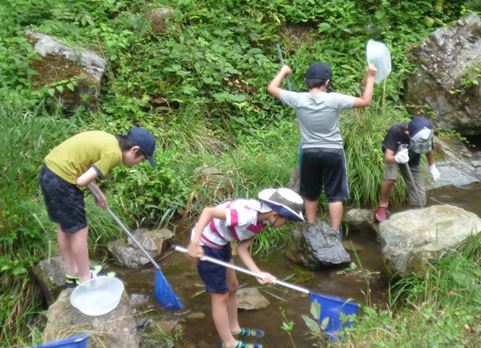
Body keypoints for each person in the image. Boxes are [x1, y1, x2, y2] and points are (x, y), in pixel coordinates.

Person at [267, 61, 377, 238]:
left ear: (306, 80)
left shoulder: (297, 99)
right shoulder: (334, 99)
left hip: (310, 152)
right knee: (335, 194)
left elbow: (272, 88)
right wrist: (370, 77)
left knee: (310, 192)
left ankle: (311, 227)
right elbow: (366, 101)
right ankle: (334, 231)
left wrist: (284, 71)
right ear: (326, 82)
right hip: (333, 152)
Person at [186, 188, 304, 348]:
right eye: (287, 220)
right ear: (276, 214)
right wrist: (194, 244)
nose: (286, 224)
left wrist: (258, 273)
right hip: (205, 246)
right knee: (220, 295)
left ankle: (234, 328)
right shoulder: (246, 215)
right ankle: (229, 343)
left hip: (221, 243)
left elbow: (242, 249)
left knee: (233, 286)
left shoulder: (261, 221)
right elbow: (208, 212)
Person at [40, 127, 157, 285]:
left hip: (49, 171)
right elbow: (80, 180)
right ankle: (85, 278)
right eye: (141, 159)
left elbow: (82, 171)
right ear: (135, 149)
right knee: (79, 230)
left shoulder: (108, 140)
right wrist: (96, 192)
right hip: (63, 181)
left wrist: (99, 194)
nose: (138, 163)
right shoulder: (114, 154)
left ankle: (73, 272)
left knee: (64, 226)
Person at [373, 116, 440, 222]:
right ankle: (383, 206)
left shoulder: (426, 133)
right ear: (408, 132)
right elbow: (387, 157)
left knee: (420, 197)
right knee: (391, 177)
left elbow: (428, 149)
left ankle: (416, 214)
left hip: (412, 159)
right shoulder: (396, 131)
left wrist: (432, 166)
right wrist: (397, 158)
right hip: (394, 157)